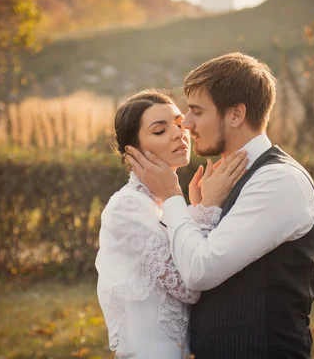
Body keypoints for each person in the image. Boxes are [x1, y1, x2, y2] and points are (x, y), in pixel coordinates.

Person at [125, 53, 314, 358]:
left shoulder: (278, 181)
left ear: (235, 115)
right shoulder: (224, 181)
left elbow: (200, 270)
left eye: (197, 111)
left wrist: (172, 197)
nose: (186, 124)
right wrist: (201, 209)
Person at [95, 89, 249, 358]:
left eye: (179, 124)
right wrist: (207, 210)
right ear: (133, 151)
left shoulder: (166, 206)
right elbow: (188, 287)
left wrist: (195, 209)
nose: (180, 134)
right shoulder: (127, 207)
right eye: (159, 131)